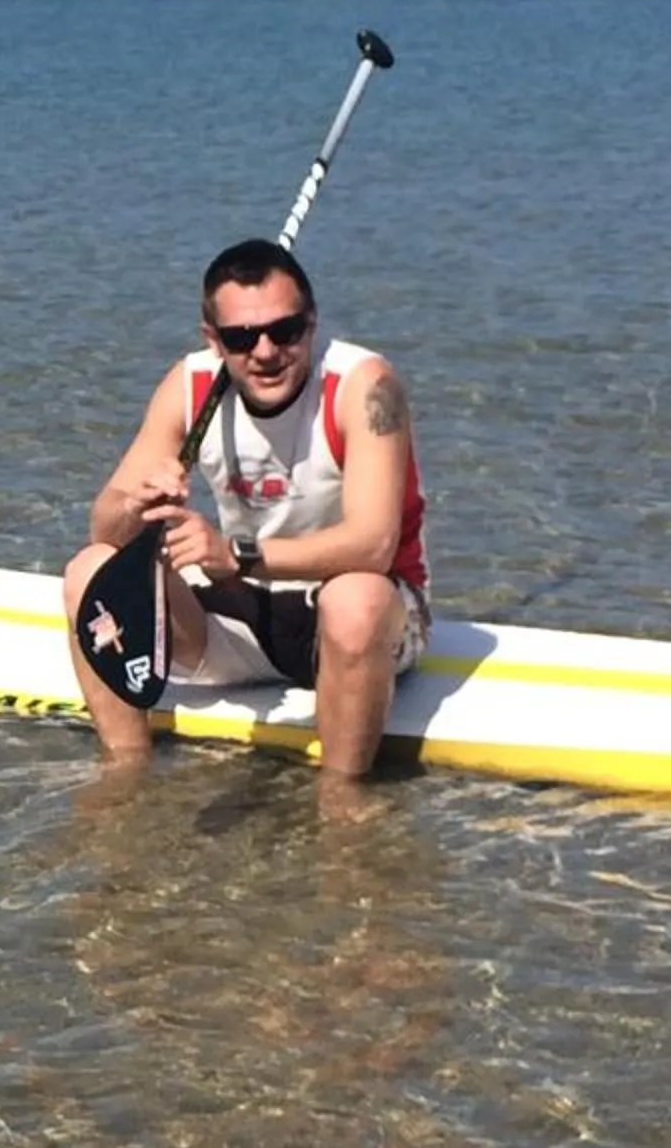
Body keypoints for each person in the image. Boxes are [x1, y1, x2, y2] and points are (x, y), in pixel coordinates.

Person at [62, 238, 427, 783]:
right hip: (241, 617)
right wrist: (135, 504)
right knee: (88, 570)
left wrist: (236, 555)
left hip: (358, 620)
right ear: (214, 340)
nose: (265, 352)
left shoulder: (365, 387)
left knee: (356, 598)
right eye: (241, 337)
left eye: (286, 331)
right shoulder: (188, 385)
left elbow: (373, 546)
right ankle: (124, 778)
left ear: (313, 321)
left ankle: (344, 809)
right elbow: (105, 525)